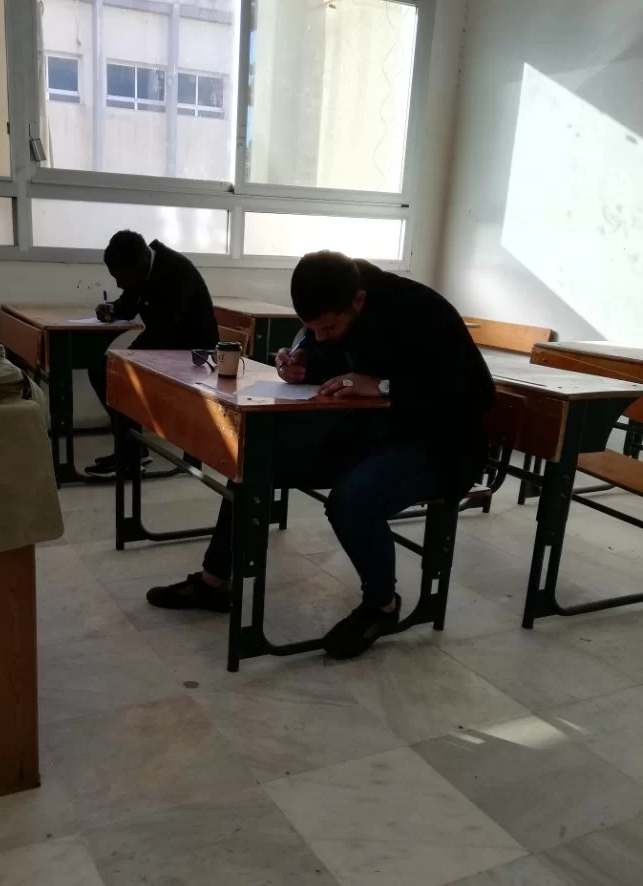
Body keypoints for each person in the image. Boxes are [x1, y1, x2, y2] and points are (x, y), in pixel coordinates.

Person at [145, 250, 495, 659]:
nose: (322, 335)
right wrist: (298, 364)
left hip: (440, 445)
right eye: (313, 327)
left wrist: (384, 386)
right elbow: (326, 355)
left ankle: (382, 605)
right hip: (375, 434)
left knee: (352, 502)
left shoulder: (420, 311)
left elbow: (475, 394)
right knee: (258, 461)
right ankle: (213, 582)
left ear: (358, 300)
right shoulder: (338, 302)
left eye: (328, 327)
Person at [86, 229, 218, 478]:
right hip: (169, 345)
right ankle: (131, 450)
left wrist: (124, 360)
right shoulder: (146, 268)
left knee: (112, 372)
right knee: (104, 370)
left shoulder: (176, 272)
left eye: (120, 277)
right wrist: (111, 308)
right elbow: (128, 304)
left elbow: (163, 330)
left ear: (139, 265)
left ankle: (131, 453)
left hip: (194, 355)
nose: (119, 284)